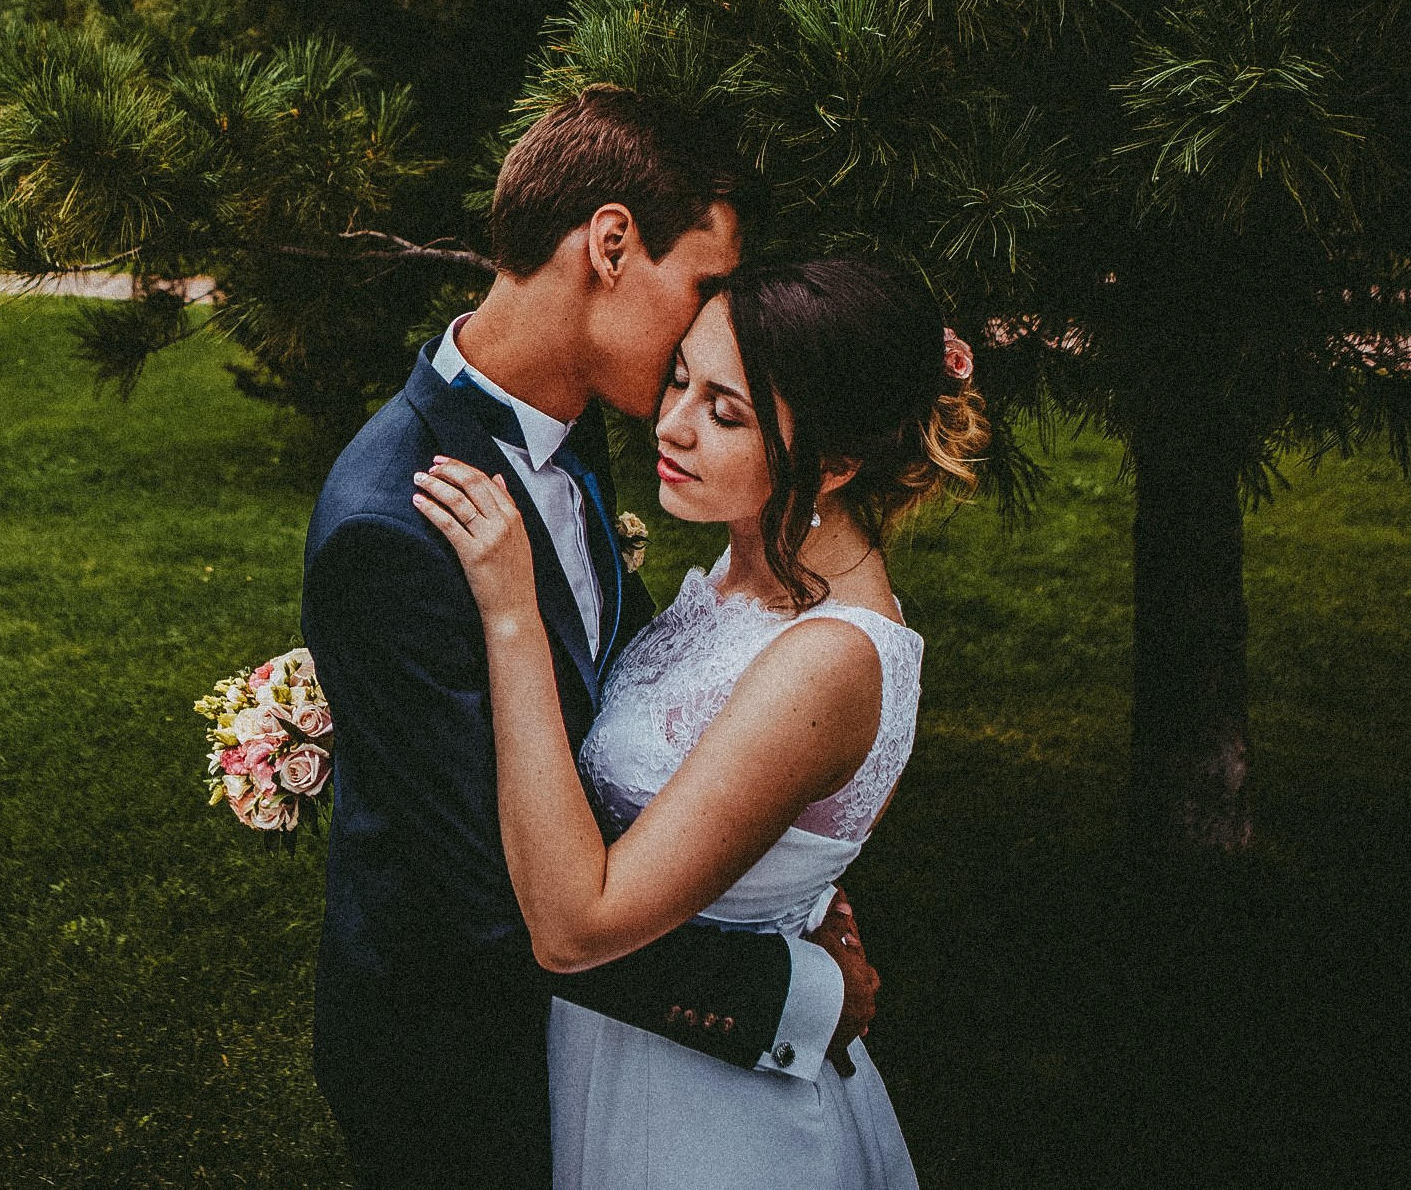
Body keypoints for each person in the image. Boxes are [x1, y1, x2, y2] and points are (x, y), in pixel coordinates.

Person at [302, 88, 879, 1190]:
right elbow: (492, 905)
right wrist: (791, 992)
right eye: (703, 287)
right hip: (461, 1067)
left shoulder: (574, 431)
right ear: (609, 245)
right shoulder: (391, 525)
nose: (712, 332)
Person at [413, 255, 989, 1188]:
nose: (671, 423)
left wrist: (512, 613)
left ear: (834, 463)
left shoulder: (827, 658)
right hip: (627, 1040)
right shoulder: (742, 574)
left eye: (726, 413)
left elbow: (575, 927)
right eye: (680, 379)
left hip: (711, 1114)